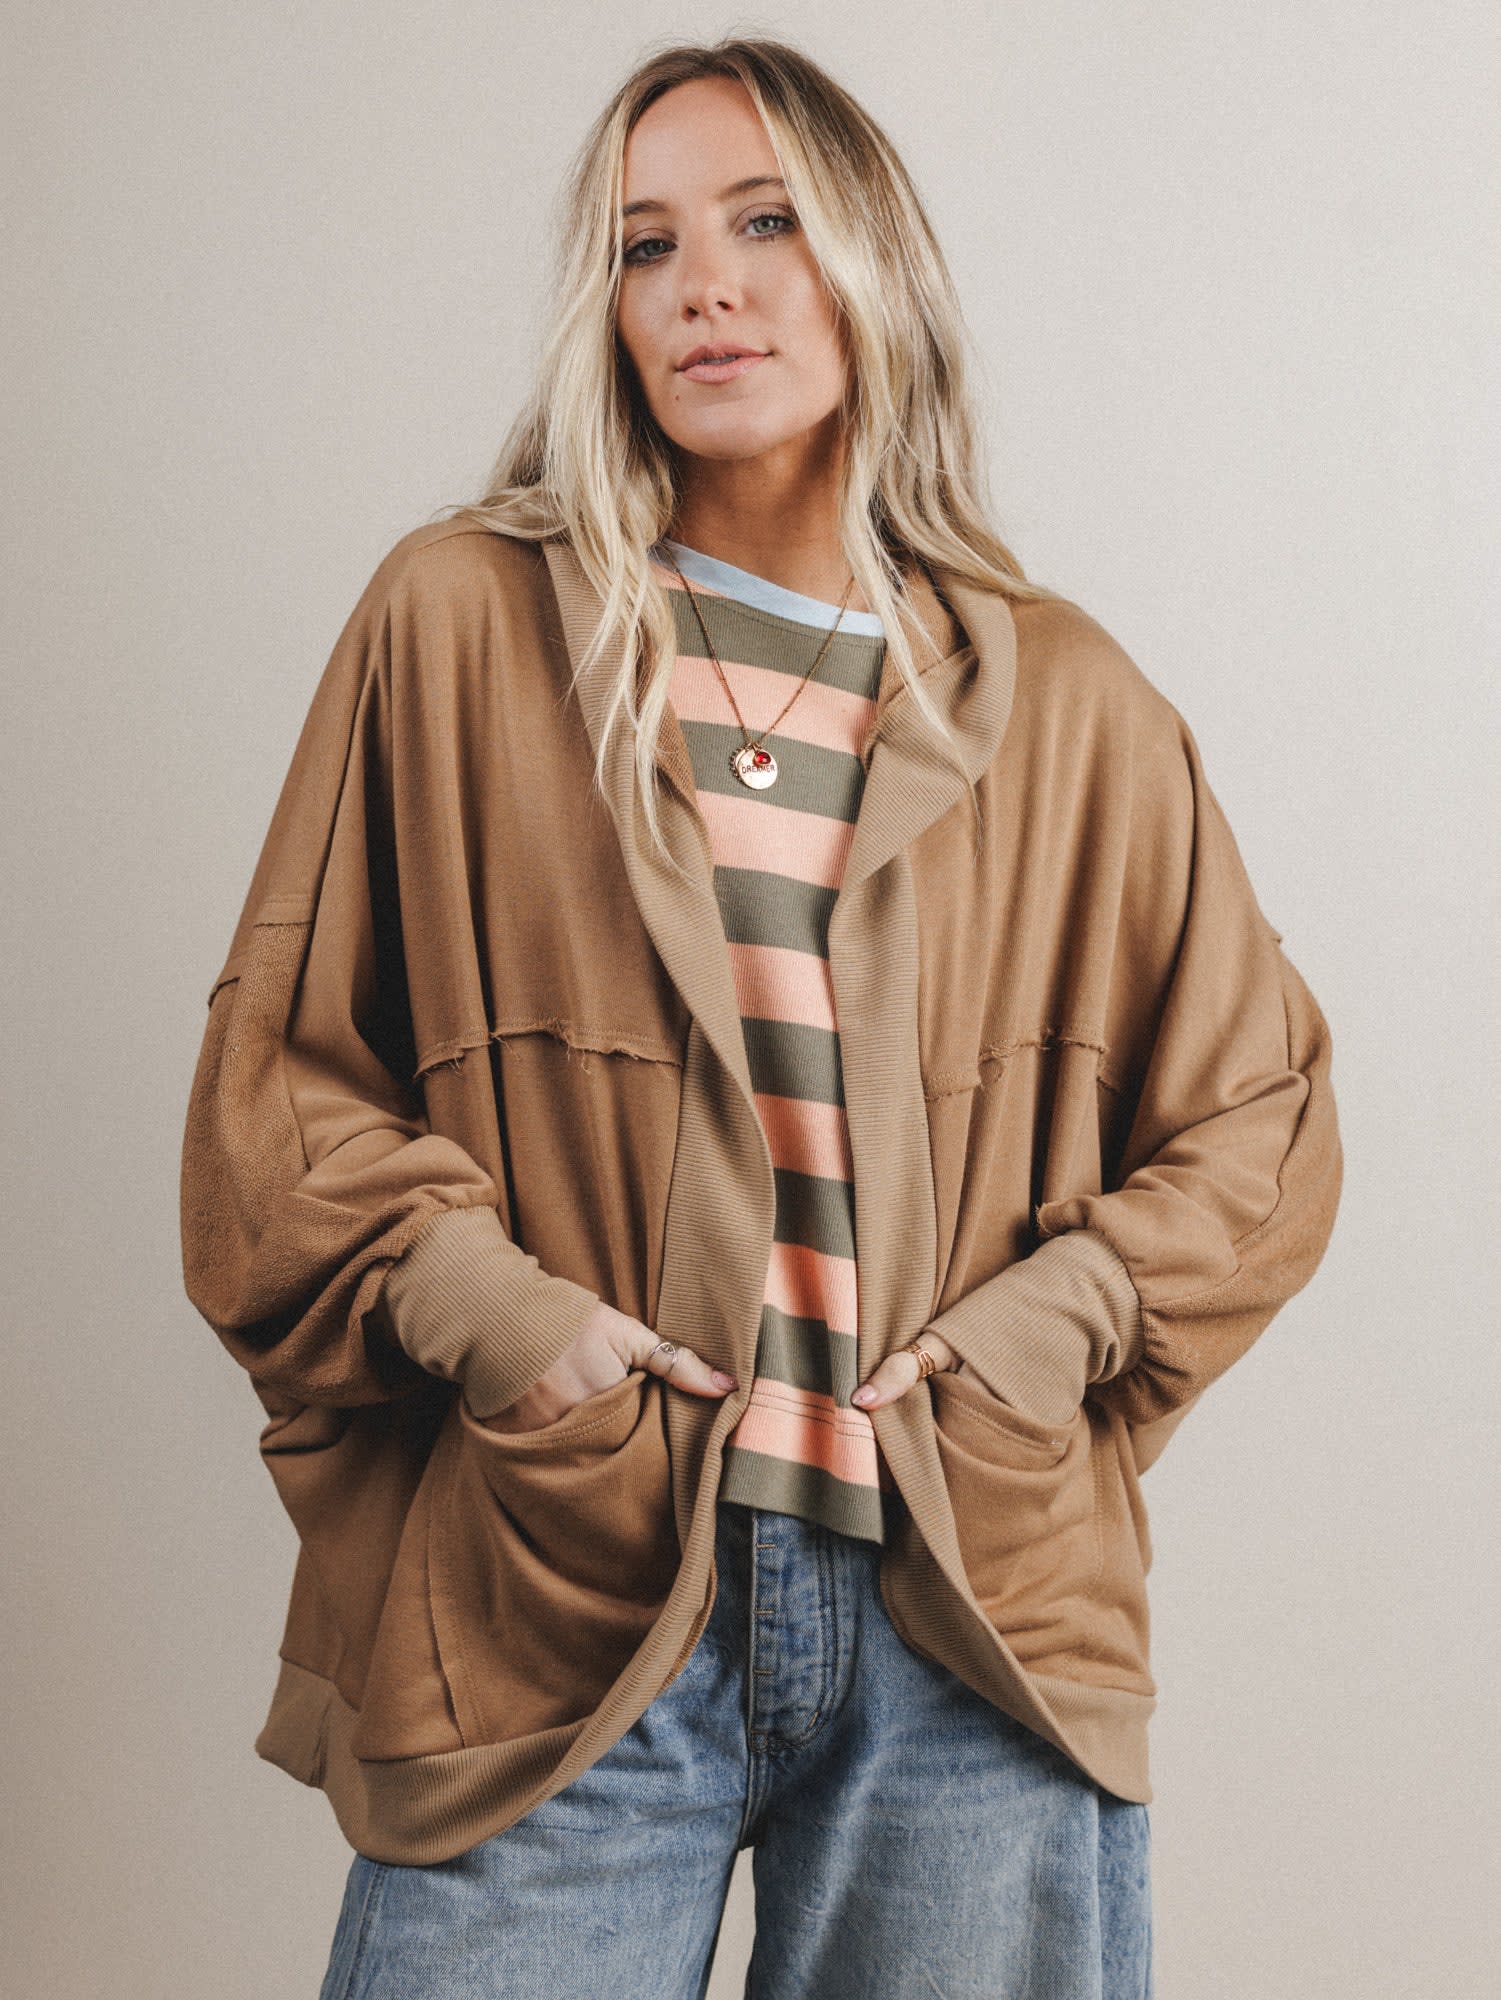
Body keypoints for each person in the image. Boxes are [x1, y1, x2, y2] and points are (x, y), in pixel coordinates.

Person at [179, 35, 1343, 2000]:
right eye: (645, 246)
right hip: (568, 1577)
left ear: (873, 262)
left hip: (970, 1606)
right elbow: (273, 1088)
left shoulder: (1059, 697)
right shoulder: (463, 622)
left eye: (764, 223)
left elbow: (1264, 1120)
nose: (702, 287)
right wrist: (507, 1327)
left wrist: (1035, 1336)